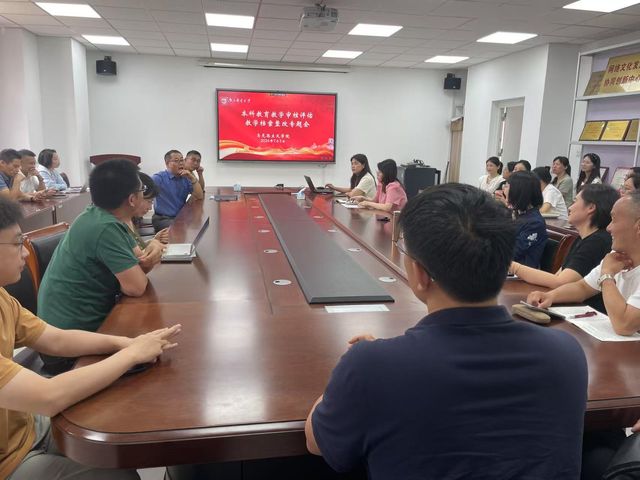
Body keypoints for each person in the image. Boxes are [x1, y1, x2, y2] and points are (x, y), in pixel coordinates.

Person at [305, 183, 587, 479]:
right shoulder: (566, 353)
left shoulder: (371, 366)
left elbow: (316, 442)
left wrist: (361, 368)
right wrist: (385, 361)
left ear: (419, 274)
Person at [0, 195, 180, 480]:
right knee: (116, 476)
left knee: (114, 449)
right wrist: (131, 354)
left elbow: (55, 339)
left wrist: (125, 343)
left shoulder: (2, 299)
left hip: (26, 427)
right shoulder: (103, 225)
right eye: (16, 243)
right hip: (8, 461)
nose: (24, 253)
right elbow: (48, 397)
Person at [37, 159, 163, 375]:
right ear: (132, 199)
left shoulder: (99, 216)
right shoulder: (105, 227)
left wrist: (153, 249)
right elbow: (135, 287)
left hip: (73, 334)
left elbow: (139, 256)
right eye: (142, 190)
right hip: (68, 350)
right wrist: (153, 258)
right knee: (157, 358)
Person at [527, 191, 640, 336]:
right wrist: (550, 296)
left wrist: (607, 276)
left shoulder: (609, 262)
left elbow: (624, 325)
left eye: (614, 220)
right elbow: (583, 288)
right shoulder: (617, 256)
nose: (608, 227)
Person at [511, 184, 618, 312]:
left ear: (591, 208)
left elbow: (561, 282)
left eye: (575, 201)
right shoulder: (582, 238)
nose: (570, 207)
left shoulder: (598, 242)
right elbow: (557, 277)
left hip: (588, 312)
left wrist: (513, 266)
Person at [114, 172, 168, 269]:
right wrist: (153, 245)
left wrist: (154, 240)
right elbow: (137, 261)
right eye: (149, 201)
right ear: (134, 198)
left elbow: (138, 249)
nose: (150, 207)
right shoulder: (117, 224)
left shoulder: (130, 219)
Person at [152, 150, 204, 232]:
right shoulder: (159, 178)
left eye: (182, 160)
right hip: (163, 218)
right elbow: (144, 192)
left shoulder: (185, 177)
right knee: (183, 229)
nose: (181, 163)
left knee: (199, 225)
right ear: (167, 163)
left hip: (180, 217)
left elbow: (199, 196)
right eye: (176, 161)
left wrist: (192, 178)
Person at [505, 171, 548, 268]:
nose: (504, 189)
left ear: (518, 191)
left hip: (520, 272)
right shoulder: (517, 213)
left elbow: (512, 253)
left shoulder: (534, 223)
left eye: (507, 186)